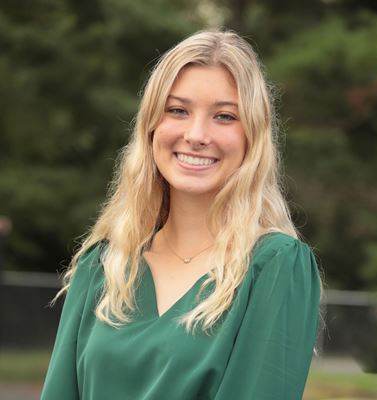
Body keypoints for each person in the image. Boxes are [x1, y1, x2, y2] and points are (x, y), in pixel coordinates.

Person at [41, 30, 322, 400]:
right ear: (151, 126)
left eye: (224, 116)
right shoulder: (103, 266)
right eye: (178, 110)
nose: (197, 134)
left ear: (252, 136)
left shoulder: (275, 266)